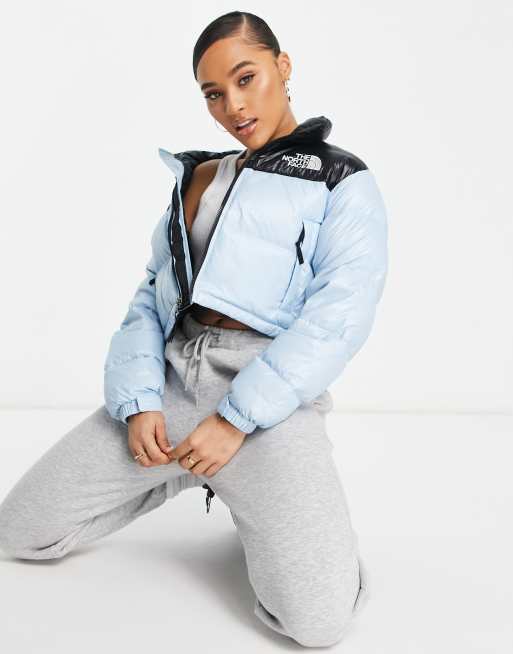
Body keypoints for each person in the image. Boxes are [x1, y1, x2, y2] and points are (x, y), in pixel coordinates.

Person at [0, 10, 388, 648]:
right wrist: (138, 400)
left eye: (246, 78)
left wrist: (235, 420)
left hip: (267, 398)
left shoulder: (341, 180)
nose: (233, 105)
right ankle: (191, 469)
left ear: (283, 67)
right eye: (213, 93)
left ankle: (265, 502)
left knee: (318, 626)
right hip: (176, 379)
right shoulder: (200, 176)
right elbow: (151, 296)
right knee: (20, 530)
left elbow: (337, 318)